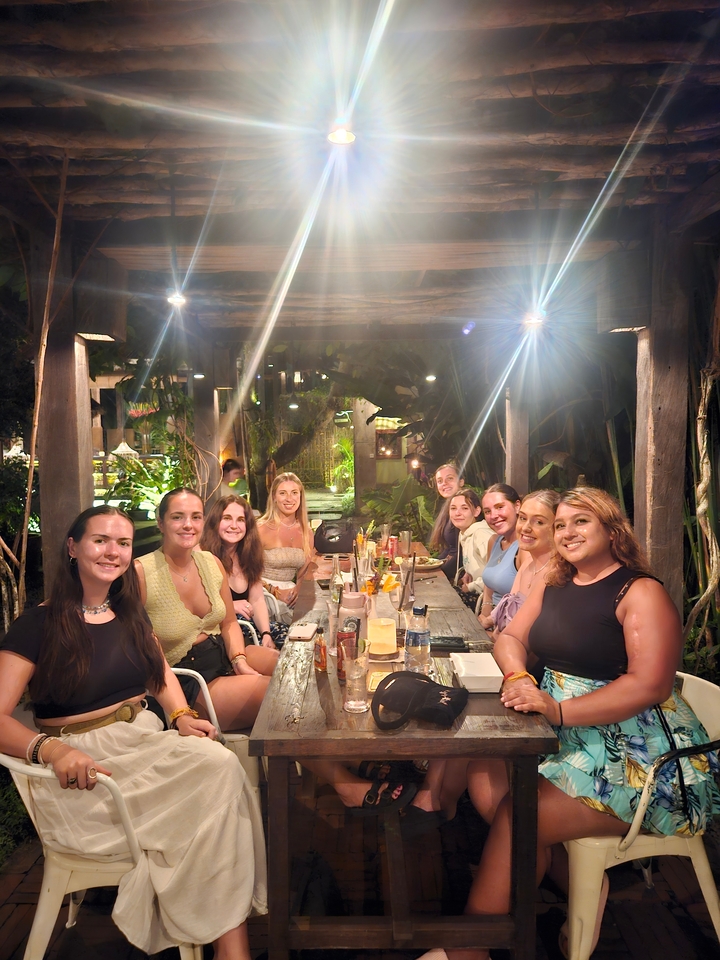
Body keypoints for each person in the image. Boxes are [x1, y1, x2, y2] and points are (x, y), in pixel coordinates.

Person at [419, 487, 720, 960]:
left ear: (611, 528)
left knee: (519, 812)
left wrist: (556, 709)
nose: (566, 532)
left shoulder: (639, 591)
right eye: (560, 525)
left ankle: (469, 947)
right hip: (561, 732)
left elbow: (649, 685)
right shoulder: (554, 582)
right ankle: (575, 884)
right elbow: (510, 637)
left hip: (640, 754)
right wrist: (518, 675)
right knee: (485, 775)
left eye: (580, 522)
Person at [0, 506, 267, 959]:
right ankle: (229, 944)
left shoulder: (126, 612)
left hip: (141, 739)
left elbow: (159, 671)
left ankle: (226, 941)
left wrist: (180, 713)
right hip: (86, 768)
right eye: (100, 540)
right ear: (73, 547)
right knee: (219, 781)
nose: (113, 552)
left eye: (123, 543)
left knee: (221, 769)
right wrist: (52, 750)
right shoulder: (38, 625)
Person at [136, 488, 278, 731]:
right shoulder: (140, 572)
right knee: (282, 693)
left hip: (225, 654)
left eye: (196, 517)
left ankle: (351, 760)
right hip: (189, 679)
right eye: (177, 517)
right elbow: (143, 652)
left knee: (300, 669)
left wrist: (239, 660)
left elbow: (230, 623)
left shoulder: (211, 562)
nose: (188, 525)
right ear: (161, 523)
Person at [200, 494, 287, 650]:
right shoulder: (201, 555)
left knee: (291, 639)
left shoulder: (249, 555)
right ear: (215, 521)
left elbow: (257, 600)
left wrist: (266, 634)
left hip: (250, 627)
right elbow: (194, 608)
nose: (234, 525)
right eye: (227, 518)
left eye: (240, 520)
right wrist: (230, 606)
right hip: (219, 633)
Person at [490, 488, 560, 634]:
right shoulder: (527, 565)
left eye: (539, 522)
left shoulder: (559, 574)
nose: (526, 528)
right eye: (522, 518)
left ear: (557, 527)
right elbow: (503, 628)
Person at [257, 472, 315, 610]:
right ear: (274, 497)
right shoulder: (260, 529)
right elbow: (245, 573)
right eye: (283, 493)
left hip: (291, 593)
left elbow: (304, 571)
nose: (289, 498)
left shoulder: (307, 532)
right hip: (262, 593)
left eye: (294, 492)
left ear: (300, 496)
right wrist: (274, 591)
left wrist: (300, 587)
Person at [477, 483, 522, 630]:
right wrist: (485, 612)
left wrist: (490, 622)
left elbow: (520, 601)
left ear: (517, 506)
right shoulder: (494, 541)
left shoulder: (524, 547)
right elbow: (489, 585)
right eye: (487, 511)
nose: (494, 516)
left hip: (509, 625)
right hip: (489, 622)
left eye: (499, 507)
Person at [448, 490, 493, 609]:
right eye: (453, 508)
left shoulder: (482, 534)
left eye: (464, 508)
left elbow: (498, 574)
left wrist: (471, 586)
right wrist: (469, 571)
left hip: (486, 601)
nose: (457, 513)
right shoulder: (465, 533)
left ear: (477, 511)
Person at [428, 463, 465, 580]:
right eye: (440, 481)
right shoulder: (448, 507)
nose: (444, 483)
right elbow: (449, 549)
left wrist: (438, 571)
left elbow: (460, 554)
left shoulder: (464, 509)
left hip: (462, 578)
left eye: (450, 478)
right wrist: (432, 564)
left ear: (461, 482)